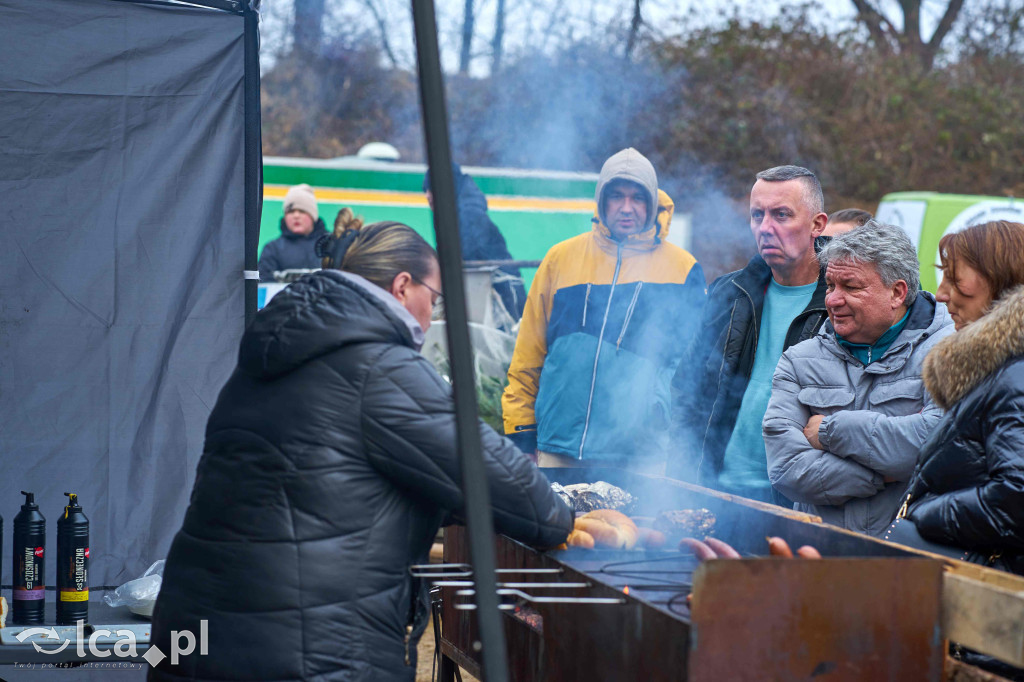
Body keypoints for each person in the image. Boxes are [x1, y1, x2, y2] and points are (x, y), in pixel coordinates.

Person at [149, 214, 572, 681]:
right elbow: (525, 499)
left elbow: (325, 487)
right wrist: (564, 515)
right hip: (304, 653)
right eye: (434, 300)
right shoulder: (382, 368)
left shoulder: (268, 356)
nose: (432, 316)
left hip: (193, 634)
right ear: (402, 286)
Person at [502, 148, 705, 472]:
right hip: (557, 448)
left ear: (652, 203)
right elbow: (528, 353)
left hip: (639, 458)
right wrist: (522, 432)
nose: (626, 207)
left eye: (637, 198)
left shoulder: (683, 270)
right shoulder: (560, 258)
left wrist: (657, 412)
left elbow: (691, 367)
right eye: (616, 196)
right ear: (601, 200)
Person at [762, 221, 954, 535]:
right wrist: (885, 474)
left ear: (897, 292)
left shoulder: (951, 350)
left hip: (911, 554)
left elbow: (942, 447)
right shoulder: (798, 360)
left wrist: (827, 431)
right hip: (817, 551)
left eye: (850, 287)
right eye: (830, 286)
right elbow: (786, 469)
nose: (832, 300)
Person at [667, 165, 829, 503]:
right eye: (757, 215)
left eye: (782, 215)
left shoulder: (842, 301)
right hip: (714, 488)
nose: (766, 228)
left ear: (817, 224)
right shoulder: (729, 292)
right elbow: (686, 389)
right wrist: (680, 478)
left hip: (796, 497)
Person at [896, 220, 1024, 571]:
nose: (940, 294)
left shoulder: (1016, 377)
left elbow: (1017, 499)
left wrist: (921, 515)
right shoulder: (998, 372)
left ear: (1002, 282)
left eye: (955, 279)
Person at [424, 163, 527, 319]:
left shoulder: (468, 213)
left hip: (502, 293)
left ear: (444, 187)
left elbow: (458, 259)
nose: (427, 196)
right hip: (491, 291)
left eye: (431, 190)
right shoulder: (449, 212)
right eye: (426, 191)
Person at [257, 183, 329, 282]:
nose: (296, 216)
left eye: (302, 211)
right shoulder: (272, 249)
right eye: (291, 211)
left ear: (313, 216)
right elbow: (264, 281)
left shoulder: (332, 244)